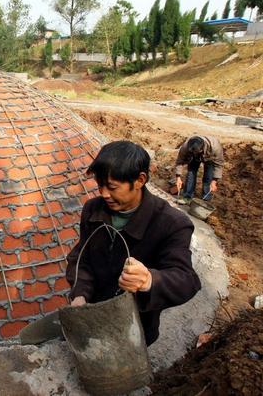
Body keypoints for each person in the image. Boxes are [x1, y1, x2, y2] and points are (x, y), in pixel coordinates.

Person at [66, 140, 201, 346]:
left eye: (112, 187)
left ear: (139, 180)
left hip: (134, 328)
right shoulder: (94, 210)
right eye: (99, 185)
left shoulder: (171, 223)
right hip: (93, 319)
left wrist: (149, 280)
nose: (103, 194)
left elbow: (186, 280)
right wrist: (80, 294)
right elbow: (81, 258)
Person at [174, 135, 224, 204]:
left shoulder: (215, 147)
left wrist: (214, 181)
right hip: (194, 157)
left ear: (201, 149)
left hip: (209, 157)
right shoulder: (186, 146)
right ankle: (187, 197)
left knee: (208, 177)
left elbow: (219, 165)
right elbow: (179, 161)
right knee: (191, 173)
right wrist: (178, 178)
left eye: (196, 152)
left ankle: (205, 201)